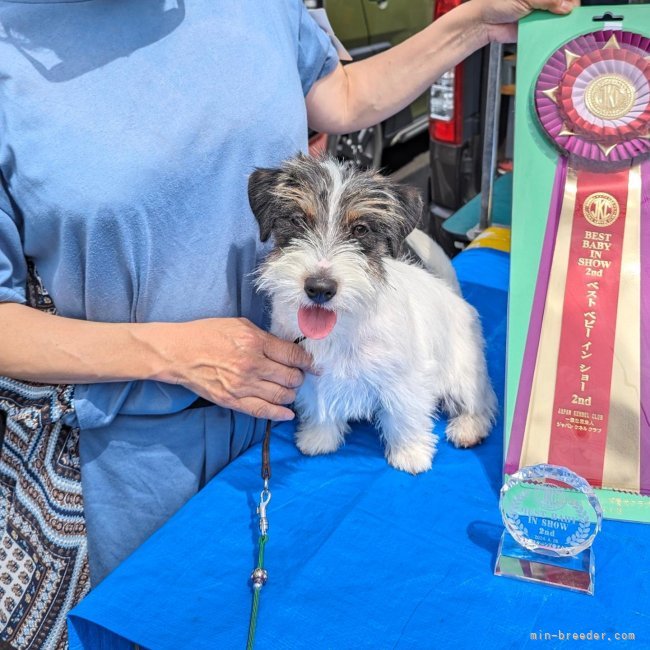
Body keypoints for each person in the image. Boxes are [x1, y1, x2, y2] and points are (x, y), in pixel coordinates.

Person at [0, 0, 577, 644]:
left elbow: (343, 95)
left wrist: (476, 21)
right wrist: (170, 353)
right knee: (171, 618)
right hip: (139, 446)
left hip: (299, 401)